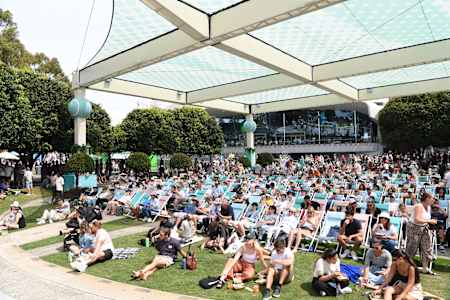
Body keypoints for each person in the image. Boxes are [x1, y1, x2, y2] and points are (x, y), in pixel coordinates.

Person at [405, 192, 437, 274]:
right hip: (414, 228)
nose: (434, 200)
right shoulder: (419, 206)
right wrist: (430, 221)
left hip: (423, 228)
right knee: (412, 248)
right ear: (427, 198)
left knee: (425, 247)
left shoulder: (429, 207)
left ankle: (425, 268)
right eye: (432, 198)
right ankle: (406, 266)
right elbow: (417, 219)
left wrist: (428, 222)